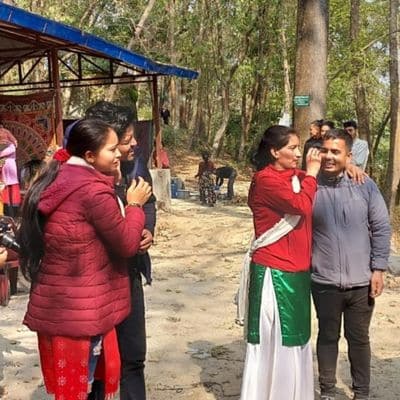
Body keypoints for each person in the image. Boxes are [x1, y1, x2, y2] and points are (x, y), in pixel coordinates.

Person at [19, 119, 152, 400]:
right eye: (113, 148)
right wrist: (135, 205)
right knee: (82, 390)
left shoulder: (62, 177)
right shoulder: (92, 191)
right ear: (90, 156)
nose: (119, 154)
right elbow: (127, 244)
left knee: (77, 388)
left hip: (63, 304)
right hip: (82, 308)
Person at [240, 125, 321, 400]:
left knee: (297, 338)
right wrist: (311, 174)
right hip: (275, 272)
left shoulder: (293, 176)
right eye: (292, 148)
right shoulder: (265, 180)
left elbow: (314, 180)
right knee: (276, 341)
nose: (298, 153)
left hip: (297, 270)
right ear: (275, 152)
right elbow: (300, 205)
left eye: (299, 148)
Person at [311, 129, 391, 400]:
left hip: (361, 281)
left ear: (348, 156)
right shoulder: (310, 186)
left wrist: (378, 268)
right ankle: (328, 391)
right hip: (324, 280)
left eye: (336, 152)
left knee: (358, 339)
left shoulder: (364, 185)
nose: (329, 156)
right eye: (325, 150)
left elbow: (381, 228)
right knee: (327, 335)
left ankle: (362, 393)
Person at [85, 101, 156, 400]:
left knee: (133, 356)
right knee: (98, 361)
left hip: (129, 273)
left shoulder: (136, 167)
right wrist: (133, 207)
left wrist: (147, 228)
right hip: (95, 282)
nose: (134, 145)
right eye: (126, 141)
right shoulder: (81, 180)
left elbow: (148, 202)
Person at [0, 128, 21, 218]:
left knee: (11, 189)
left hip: (9, 167)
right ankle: (6, 209)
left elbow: (2, 154)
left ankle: (13, 212)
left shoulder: (11, 146)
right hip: (3, 169)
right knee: (5, 189)